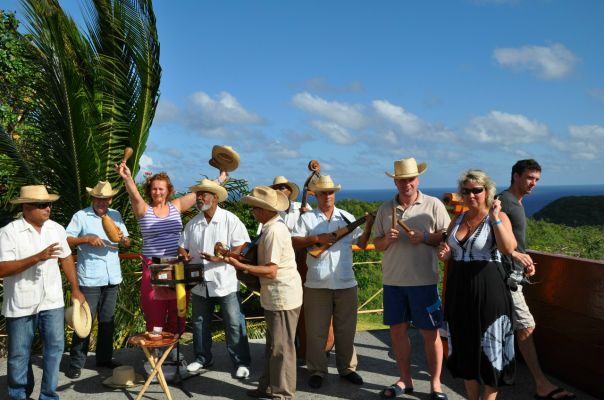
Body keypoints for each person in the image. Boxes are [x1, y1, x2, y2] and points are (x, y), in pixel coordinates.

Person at [372, 158, 451, 400]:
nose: (407, 183)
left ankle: (435, 384)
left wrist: (426, 237)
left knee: (430, 334)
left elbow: (448, 236)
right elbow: (377, 243)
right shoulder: (385, 209)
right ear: (395, 182)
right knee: (397, 333)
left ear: (418, 179)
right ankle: (405, 380)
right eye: (402, 180)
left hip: (424, 281)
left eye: (411, 179)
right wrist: (387, 240)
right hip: (393, 281)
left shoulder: (433, 204)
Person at [437, 170, 517, 400]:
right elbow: (450, 250)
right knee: (465, 348)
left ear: (487, 191)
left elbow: (508, 248)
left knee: (491, 348)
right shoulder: (458, 219)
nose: (471, 195)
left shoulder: (498, 218)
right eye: (466, 191)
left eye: (476, 190)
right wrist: (446, 254)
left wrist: (496, 217)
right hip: (459, 289)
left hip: (489, 289)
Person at [499, 160, 575, 400]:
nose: (533, 183)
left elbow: (513, 242)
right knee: (526, 325)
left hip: (514, 273)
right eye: (530, 178)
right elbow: (498, 239)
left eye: (536, 179)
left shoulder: (515, 203)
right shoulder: (505, 202)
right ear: (516, 176)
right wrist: (515, 256)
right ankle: (541, 384)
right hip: (506, 277)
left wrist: (524, 261)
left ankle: (500, 374)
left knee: (508, 326)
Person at [0, 185, 85, 400]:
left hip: (52, 301)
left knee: (55, 348)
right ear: (26, 207)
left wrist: (75, 289)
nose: (48, 208)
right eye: (42, 205)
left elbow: (66, 258)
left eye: (49, 204)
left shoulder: (56, 229)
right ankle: (19, 395)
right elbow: (2, 268)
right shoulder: (9, 232)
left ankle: (48, 395)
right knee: (19, 353)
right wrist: (37, 257)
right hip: (21, 302)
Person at [291, 175, 373, 389]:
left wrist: (369, 226)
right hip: (316, 284)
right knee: (315, 332)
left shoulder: (346, 217)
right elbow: (294, 241)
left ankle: (347, 369)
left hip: (346, 283)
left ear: (334, 194)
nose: (327, 196)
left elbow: (361, 243)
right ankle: (317, 370)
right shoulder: (307, 219)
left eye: (330, 192)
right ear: (316, 195)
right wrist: (316, 239)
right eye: (323, 193)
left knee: (346, 330)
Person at [224, 186, 303, 399]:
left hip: (282, 297)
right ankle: (267, 387)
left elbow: (271, 270)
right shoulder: (271, 228)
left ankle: (283, 394)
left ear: (265, 209)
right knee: (273, 346)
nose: (252, 211)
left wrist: (241, 266)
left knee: (281, 348)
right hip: (277, 296)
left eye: (255, 207)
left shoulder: (274, 231)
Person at [178, 179, 252, 379]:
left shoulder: (230, 219)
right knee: (200, 323)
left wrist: (222, 257)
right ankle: (202, 358)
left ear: (215, 198)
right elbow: (182, 246)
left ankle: (241, 362)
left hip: (225, 281)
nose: (199, 198)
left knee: (234, 323)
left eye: (203, 194)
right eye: (198, 195)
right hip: (200, 283)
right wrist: (183, 255)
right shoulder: (193, 223)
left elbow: (243, 245)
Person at [65, 181, 131, 379]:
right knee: (84, 322)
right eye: (98, 199)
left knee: (107, 321)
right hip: (90, 278)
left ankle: (104, 359)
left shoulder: (116, 215)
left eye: (105, 199)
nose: (101, 202)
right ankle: (76, 363)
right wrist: (86, 239)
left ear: (110, 199)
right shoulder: (81, 216)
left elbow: (126, 242)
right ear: (92, 198)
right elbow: (66, 239)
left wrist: (124, 239)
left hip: (112, 277)